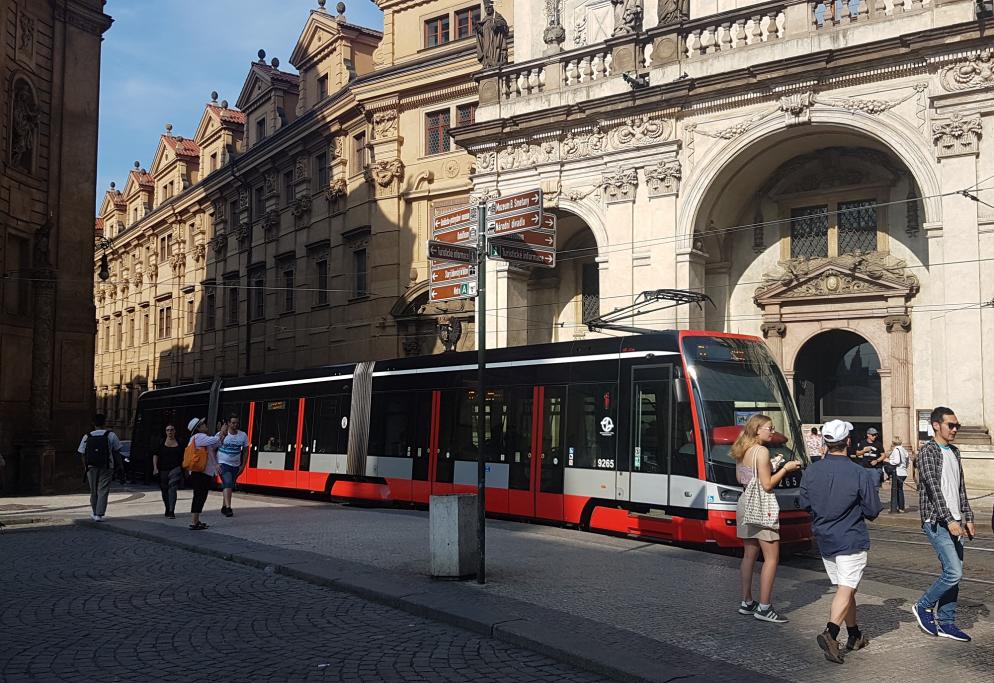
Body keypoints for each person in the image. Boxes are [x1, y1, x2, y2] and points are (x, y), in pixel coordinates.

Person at [800, 419, 882, 664]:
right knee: (847, 588)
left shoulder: (811, 471)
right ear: (848, 441)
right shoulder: (858, 472)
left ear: (825, 442)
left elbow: (804, 504)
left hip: (825, 539)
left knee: (845, 589)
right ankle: (831, 632)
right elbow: (873, 510)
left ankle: (855, 635)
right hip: (850, 538)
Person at [912, 406, 975, 642]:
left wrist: (967, 517)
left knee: (954, 574)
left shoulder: (955, 451)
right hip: (937, 521)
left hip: (956, 520)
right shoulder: (928, 451)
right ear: (936, 425)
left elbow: (960, 488)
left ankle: (947, 622)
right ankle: (923, 606)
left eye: (957, 425)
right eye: (951, 425)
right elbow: (933, 488)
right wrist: (948, 520)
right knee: (954, 572)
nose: (955, 429)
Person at [732, 414, 802, 624]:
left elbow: (744, 478)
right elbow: (767, 485)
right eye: (769, 428)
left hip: (745, 503)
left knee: (748, 555)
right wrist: (784, 469)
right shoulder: (761, 451)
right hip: (762, 506)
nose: (773, 431)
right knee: (771, 557)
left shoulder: (742, 449)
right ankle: (764, 607)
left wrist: (769, 466)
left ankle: (747, 602)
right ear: (757, 430)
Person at [77, 414, 124, 522]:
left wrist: (85, 467)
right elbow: (117, 452)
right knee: (103, 490)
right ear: (105, 423)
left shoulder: (87, 436)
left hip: (91, 467)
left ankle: (94, 512)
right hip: (107, 466)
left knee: (93, 491)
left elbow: (82, 453)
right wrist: (120, 466)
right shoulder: (111, 435)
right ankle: (99, 514)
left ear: (93, 423)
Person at [186, 416, 221, 531]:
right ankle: (194, 521)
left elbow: (215, 445)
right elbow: (215, 440)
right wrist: (221, 432)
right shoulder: (199, 437)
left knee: (200, 495)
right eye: (203, 424)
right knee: (200, 496)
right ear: (199, 428)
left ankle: (196, 520)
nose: (206, 426)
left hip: (199, 472)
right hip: (201, 472)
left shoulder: (197, 439)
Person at [217, 415, 248, 517]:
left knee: (229, 485)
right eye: (233, 423)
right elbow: (213, 449)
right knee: (228, 482)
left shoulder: (243, 435)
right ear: (229, 423)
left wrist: (243, 466)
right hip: (223, 463)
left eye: (237, 423)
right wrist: (215, 464)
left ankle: (223, 506)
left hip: (235, 465)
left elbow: (246, 451)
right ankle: (228, 508)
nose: (235, 425)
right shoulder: (221, 435)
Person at [152, 424, 183, 519]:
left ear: (175, 431)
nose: (170, 432)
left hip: (176, 468)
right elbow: (155, 455)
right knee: (164, 490)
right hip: (163, 470)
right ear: (165, 432)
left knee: (173, 488)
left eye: (172, 430)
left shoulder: (180, 442)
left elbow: (184, 455)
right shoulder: (161, 442)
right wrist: (155, 468)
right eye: (168, 430)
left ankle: (171, 510)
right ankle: (167, 507)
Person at [887, 437, 910, 514]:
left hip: (897, 472)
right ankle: (901, 507)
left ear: (893, 442)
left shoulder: (896, 450)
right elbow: (907, 461)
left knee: (896, 490)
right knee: (899, 490)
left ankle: (896, 507)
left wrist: (889, 461)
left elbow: (897, 461)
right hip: (903, 472)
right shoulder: (904, 450)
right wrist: (904, 467)